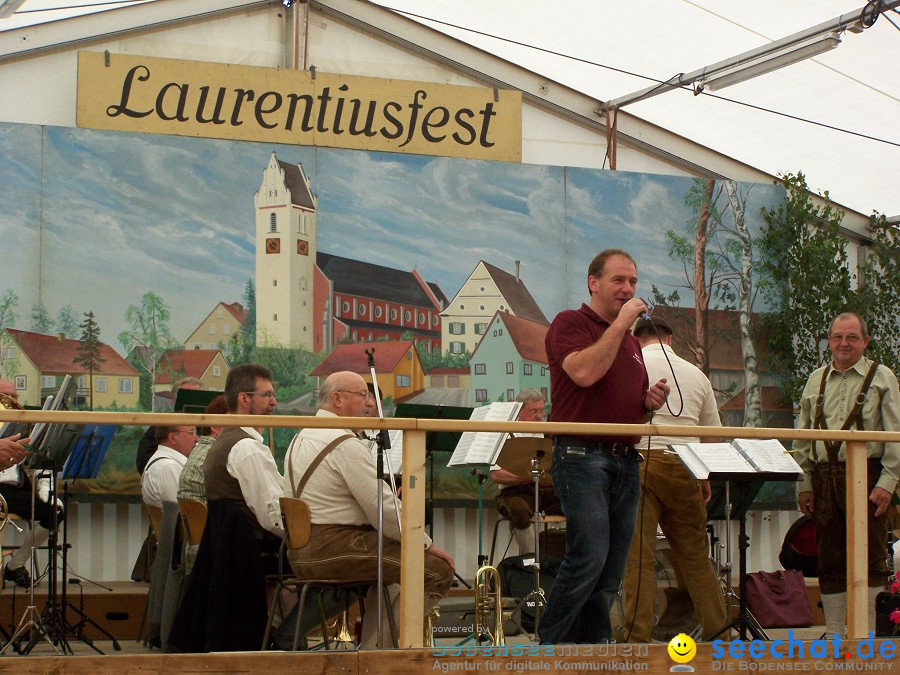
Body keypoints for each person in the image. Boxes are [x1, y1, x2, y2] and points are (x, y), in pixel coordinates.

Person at [538, 249, 669, 644]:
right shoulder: (570, 323)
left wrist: (645, 405)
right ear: (593, 283)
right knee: (589, 556)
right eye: (618, 281)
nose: (628, 289)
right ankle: (550, 649)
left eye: (632, 281)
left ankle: (595, 650)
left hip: (624, 461)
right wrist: (624, 323)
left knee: (612, 567)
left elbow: (621, 408)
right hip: (581, 456)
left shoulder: (630, 345)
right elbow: (583, 372)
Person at [284, 371, 454, 648]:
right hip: (332, 548)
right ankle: (374, 657)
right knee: (436, 571)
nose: (368, 403)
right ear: (337, 399)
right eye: (362, 395)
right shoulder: (343, 443)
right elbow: (385, 511)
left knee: (393, 577)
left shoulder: (301, 437)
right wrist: (424, 544)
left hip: (302, 549)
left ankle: (374, 649)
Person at [622, 317, 727, 643]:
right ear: (669, 339)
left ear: (637, 338)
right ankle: (719, 633)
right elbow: (712, 437)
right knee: (695, 557)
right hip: (685, 466)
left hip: (640, 464)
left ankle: (636, 639)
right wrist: (703, 477)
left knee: (639, 558)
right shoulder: (697, 375)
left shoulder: (630, 364)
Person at [795, 312, 900, 637]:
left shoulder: (883, 377)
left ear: (865, 341)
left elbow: (896, 434)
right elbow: (803, 437)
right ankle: (838, 636)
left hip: (868, 478)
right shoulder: (816, 379)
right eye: (838, 337)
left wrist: (887, 483)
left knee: (871, 560)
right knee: (828, 560)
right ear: (830, 341)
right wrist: (805, 484)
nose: (844, 343)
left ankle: (866, 636)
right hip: (824, 478)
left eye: (852, 337)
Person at [169, 364, 284, 653]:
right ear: (244, 399)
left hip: (233, 555)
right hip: (251, 556)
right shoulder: (247, 449)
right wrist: (307, 534)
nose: (274, 402)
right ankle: (287, 640)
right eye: (267, 395)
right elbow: (272, 518)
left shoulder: (222, 444)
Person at [0, 378, 61, 588]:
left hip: (16, 486)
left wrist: (46, 489)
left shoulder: (24, 425)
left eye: (15, 396)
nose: (12, 401)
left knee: (54, 512)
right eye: (6, 397)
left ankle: (15, 565)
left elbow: (39, 465)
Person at [491, 388, 562, 555]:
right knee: (518, 510)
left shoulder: (544, 434)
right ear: (519, 410)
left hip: (542, 489)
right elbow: (496, 475)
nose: (539, 416)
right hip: (515, 492)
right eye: (534, 411)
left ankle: (567, 563)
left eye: (541, 411)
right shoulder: (505, 434)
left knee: (574, 504)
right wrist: (527, 477)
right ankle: (529, 563)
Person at [177, 394, 229, 574]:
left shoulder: (200, 452)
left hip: (196, 550)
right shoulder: (218, 457)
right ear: (216, 427)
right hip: (213, 554)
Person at [136, 376, 203, 474]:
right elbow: (144, 460)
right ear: (174, 399)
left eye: (197, 396)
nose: (192, 400)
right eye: (187, 396)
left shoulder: (212, 426)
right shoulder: (163, 425)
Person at [141, 425, 198, 509]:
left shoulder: (164, 463)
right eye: (191, 433)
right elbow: (182, 512)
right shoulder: (168, 467)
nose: (197, 439)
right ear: (172, 438)